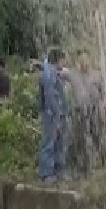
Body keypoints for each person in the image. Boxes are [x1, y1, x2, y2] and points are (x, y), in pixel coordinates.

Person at [66, 51, 103, 174]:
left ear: (90, 61)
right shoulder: (73, 74)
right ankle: (83, 166)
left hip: (94, 110)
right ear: (78, 62)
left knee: (97, 135)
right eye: (81, 61)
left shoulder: (97, 75)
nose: (84, 63)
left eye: (86, 60)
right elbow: (57, 71)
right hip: (79, 111)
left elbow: (103, 92)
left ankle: (104, 159)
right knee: (80, 138)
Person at [37, 48, 68, 182]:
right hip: (51, 114)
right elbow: (49, 96)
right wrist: (56, 113)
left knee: (59, 143)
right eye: (63, 60)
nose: (64, 63)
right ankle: (46, 173)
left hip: (58, 113)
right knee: (49, 142)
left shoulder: (54, 72)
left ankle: (58, 170)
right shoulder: (48, 73)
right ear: (58, 59)